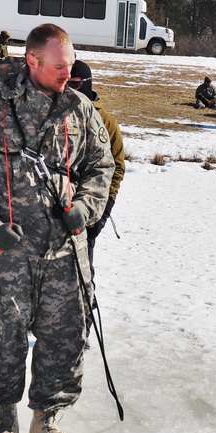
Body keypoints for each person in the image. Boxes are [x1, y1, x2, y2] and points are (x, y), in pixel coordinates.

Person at [0, 23, 113, 433]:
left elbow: (103, 163)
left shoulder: (80, 109)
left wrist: (88, 206)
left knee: (64, 339)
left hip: (65, 255)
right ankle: (3, 421)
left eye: (71, 64)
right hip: (9, 256)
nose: (68, 73)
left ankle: (47, 422)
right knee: (4, 336)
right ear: (33, 62)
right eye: (59, 66)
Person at [68, 60, 125, 295]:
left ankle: (86, 319)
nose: (70, 89)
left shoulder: (105, 122)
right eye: (66, 83)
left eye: (76, 84)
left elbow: (116, 168)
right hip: (56, 211)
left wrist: (104, 209)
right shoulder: (57, 114)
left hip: (89, 211)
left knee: (81, 273)